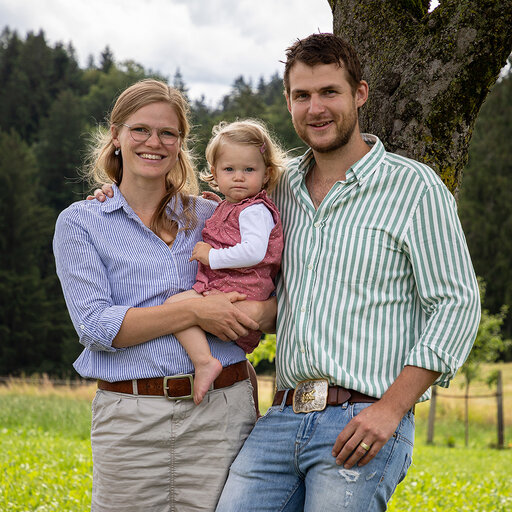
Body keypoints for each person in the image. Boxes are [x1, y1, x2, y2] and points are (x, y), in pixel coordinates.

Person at [215, 33, 481, 511]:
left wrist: (391, 410)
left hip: (364, 418)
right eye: (302, 96)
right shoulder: (278, 191)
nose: (316, 108)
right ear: (289, 103)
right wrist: (119, 191)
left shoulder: (414, 187)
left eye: (329, 92)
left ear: (359, 94)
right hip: (279, 417)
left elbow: (456, 305)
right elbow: (215, 225)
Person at [53, 79, 275, 512]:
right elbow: (97, 327)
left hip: (222, 413)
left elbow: (273, 301)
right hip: (130, 418)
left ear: (180, 145)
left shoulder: (213, 214)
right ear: (116, 136)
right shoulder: (82, 222)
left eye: (168, 133)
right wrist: (195, 310)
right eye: (140, 130)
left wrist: (259, 310)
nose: (153, 142)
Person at [166, 119, 285, 405]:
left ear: (266, 174)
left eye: (249, 170)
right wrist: (219, 205)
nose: (239, 177)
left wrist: (211, 256)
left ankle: (205, 362)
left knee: (174, 308)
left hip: (241, 288)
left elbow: (253, 252)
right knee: (178, 309)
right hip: (231, 286)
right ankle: (211, 363)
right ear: (215, 175)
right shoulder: (235, 207)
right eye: (229, 170)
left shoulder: (255, 211)